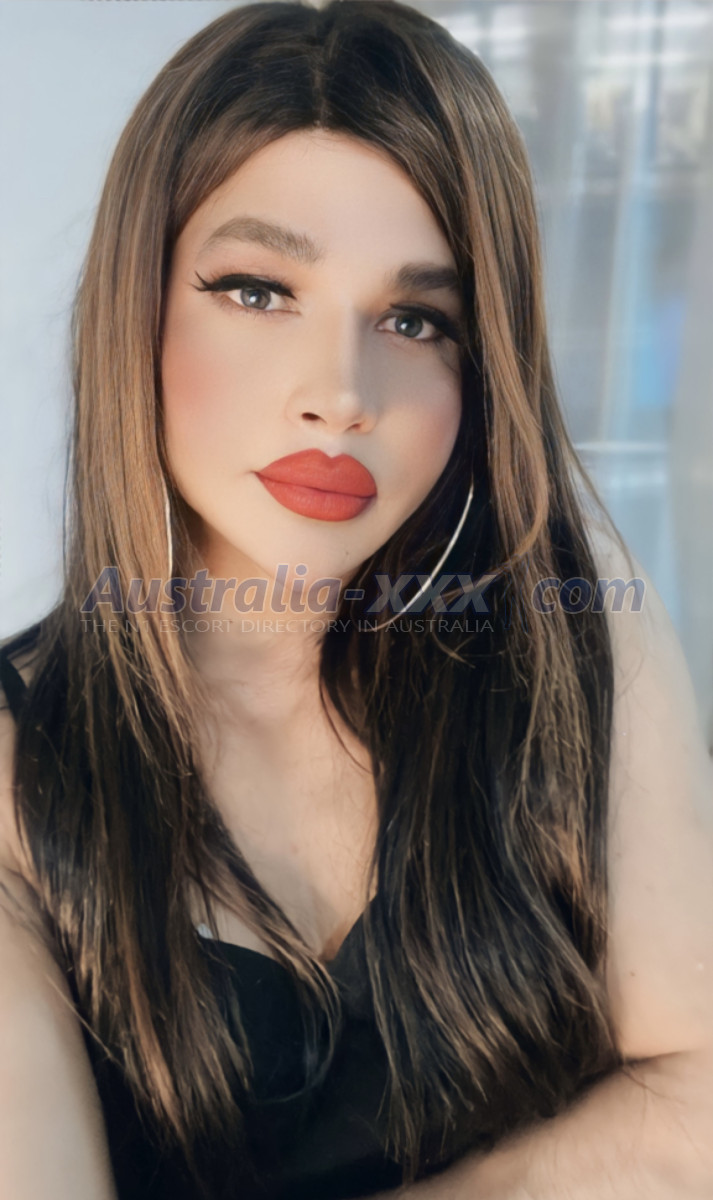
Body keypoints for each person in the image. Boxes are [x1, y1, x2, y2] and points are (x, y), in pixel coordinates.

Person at [1, 2, 712, 1198]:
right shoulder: (21, 763)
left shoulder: (577, 635)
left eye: (413, 319)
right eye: (256, 290)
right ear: (138, 305)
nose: (340, 393)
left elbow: (697, 1107)